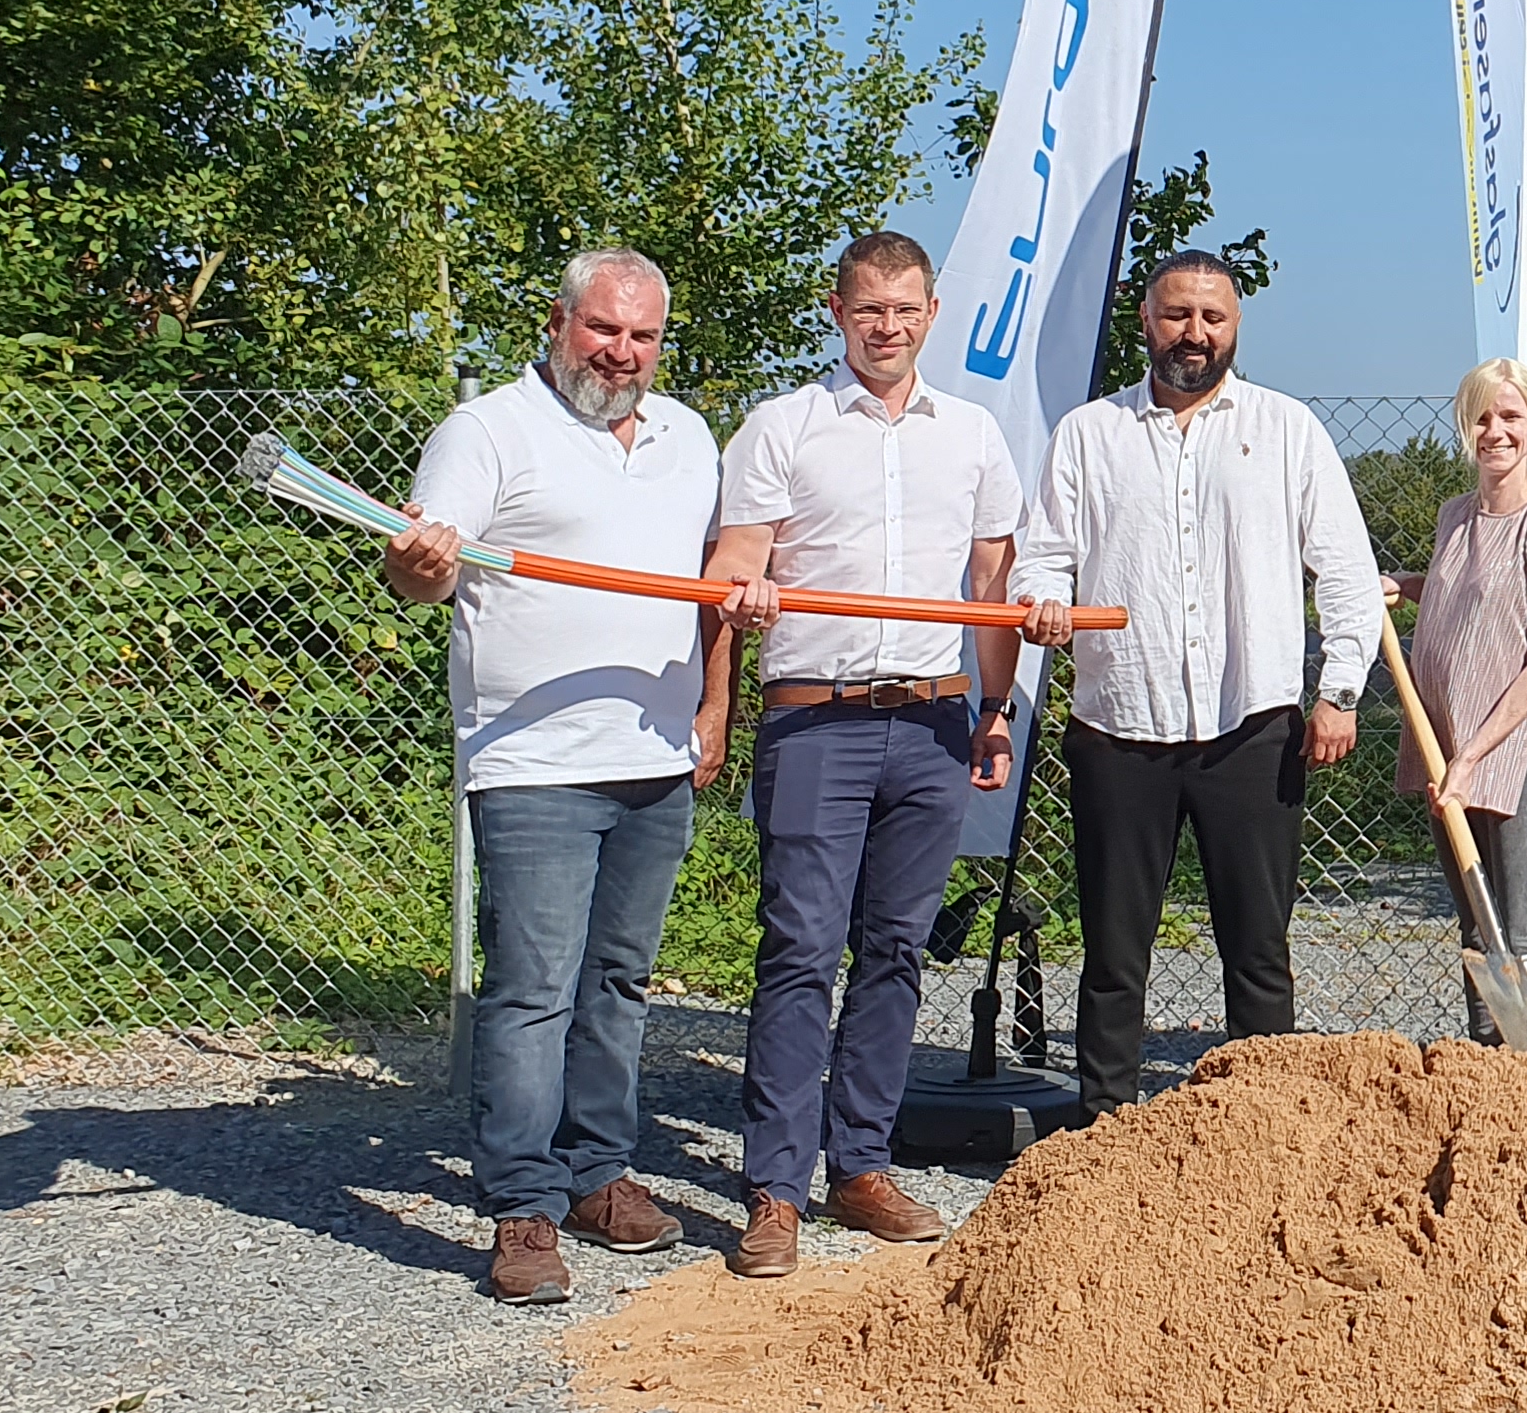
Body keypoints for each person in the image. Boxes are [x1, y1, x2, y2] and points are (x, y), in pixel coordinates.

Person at [381, 249, 725, 1305]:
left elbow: (713, 588)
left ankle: (597, 1173)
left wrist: (713, 710)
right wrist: (422, 569)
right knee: (532, 991)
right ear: (558, 323)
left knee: (617, 984)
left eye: (642, 337)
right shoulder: (487, 432)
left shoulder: (689, 438)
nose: (620, 354)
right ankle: (522, 1208)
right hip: (534, 763)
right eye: (602, 331)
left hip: (656, 758)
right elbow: (413, 571)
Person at [697, 232, 1024, 1281]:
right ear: (837, 313)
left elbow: (991, 586)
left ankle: (862, 1167)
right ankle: (775, 1189)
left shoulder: (972, 436)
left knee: (894, 950)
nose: (886, 325)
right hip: (816, 720)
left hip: (931, 721)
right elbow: (732, 571)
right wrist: (722, 683)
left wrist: (995, 710)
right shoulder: (781, 428)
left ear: (932, 315)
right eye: (867, 308)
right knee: (800, 949)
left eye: (905, 308)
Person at [1013, 250, 1377, 1110]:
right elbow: (1044, 558)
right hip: (1119, 724)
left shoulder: (1288, 432)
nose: (1195, 334)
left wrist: (1339, 689)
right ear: (1146, 320)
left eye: (1213, 319)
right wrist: (1044, 603)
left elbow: (1348, 573)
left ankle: (1257, 1131)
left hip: (1251, 726)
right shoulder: (1088, 434)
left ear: (1236, 327)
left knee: (1256, 948)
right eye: (1178, 315)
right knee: (1113, 951)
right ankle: (1104, 1133)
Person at [1381, 360, 1527, 1033]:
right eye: (1481, 417)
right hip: (1447, 747)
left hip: (1515, 752)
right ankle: (1483, 1080)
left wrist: (1472, 756)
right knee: (1477, 931)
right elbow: (1466, 591)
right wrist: (1405, 586)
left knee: (1524, 945)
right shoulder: (1456, 517)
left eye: (1510, 417)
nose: (1495, 432)